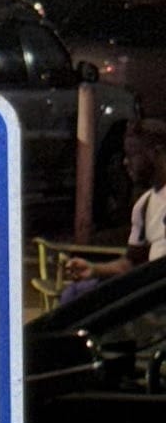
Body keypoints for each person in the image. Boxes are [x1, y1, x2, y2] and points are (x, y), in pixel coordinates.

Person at [61, 118, 166, 297]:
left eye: (133, 154)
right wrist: (94, 269)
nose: (125, 162)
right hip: (152, 296)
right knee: (75, 293)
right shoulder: (144, 205)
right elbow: (131, 262)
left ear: (156, 153)